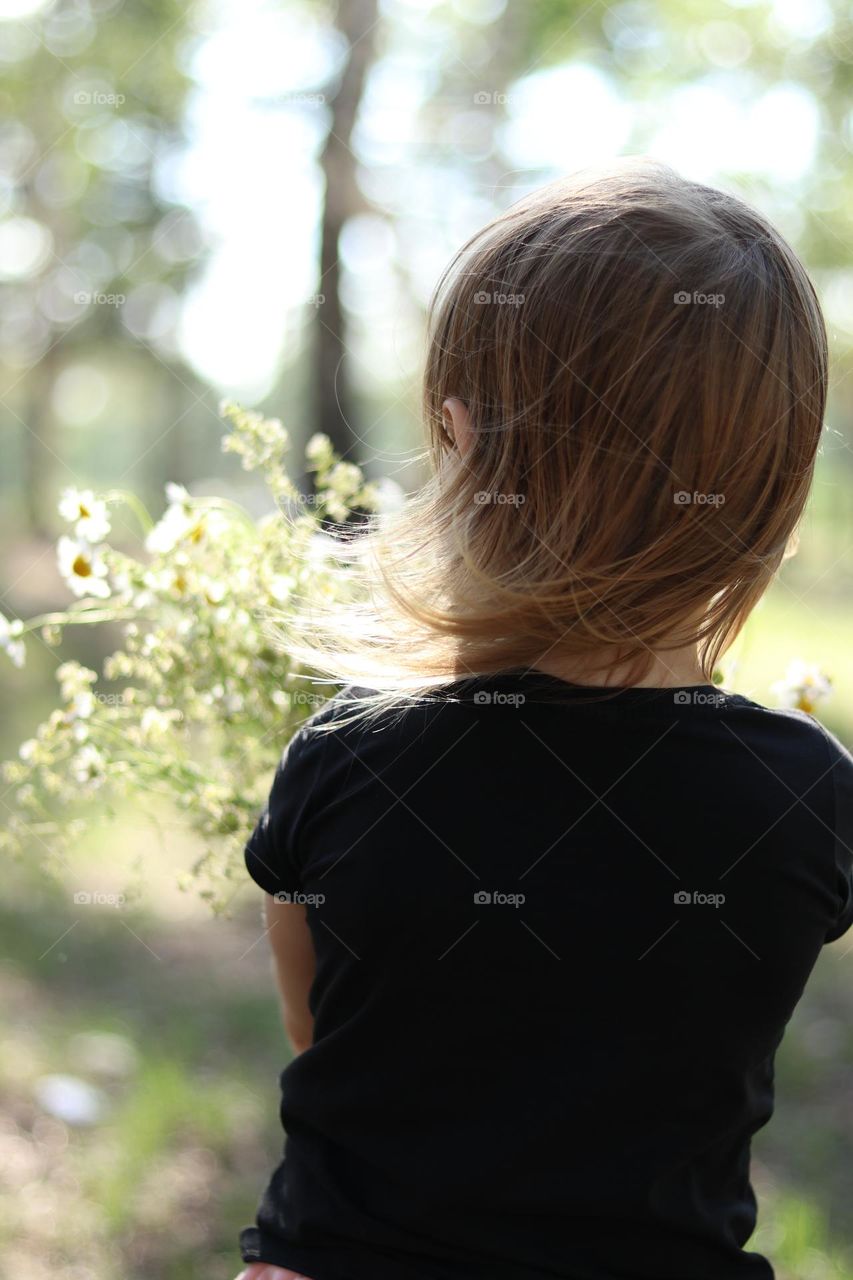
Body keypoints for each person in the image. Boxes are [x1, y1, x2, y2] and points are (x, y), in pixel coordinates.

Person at [235, 159, 853, 1280]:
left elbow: (319, 1033)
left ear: (461, 439)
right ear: (773, 483)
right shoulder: (807, 795)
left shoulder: (349, 759)